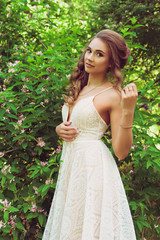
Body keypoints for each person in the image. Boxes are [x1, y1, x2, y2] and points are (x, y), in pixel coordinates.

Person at [42, 29, 138, 240]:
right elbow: (75, 123)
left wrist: (128, 110)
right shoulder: (79, 88)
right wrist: (60, 129)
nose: (90, 58)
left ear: (111, 63)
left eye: (99, 54)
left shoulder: (113, 95)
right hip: (72, 168)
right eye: (89, 51)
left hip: (94, 170)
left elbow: (121, 152)